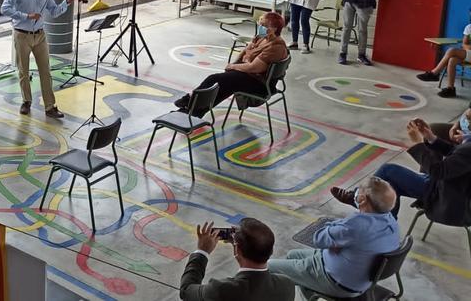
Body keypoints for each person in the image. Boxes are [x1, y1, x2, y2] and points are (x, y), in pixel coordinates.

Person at [267, 176, 398, 298]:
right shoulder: (390, 220)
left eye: (358, 191)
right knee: (292, 255)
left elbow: (318, 238)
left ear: (362, 199)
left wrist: (336, 228)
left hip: (336, 281)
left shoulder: (356, 225)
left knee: (268, 267)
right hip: (358, 278)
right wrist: (338, 240)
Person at [0, 0, 82, 118]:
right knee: (24, 71)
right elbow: (5, 8)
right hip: (21, 35)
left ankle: (50, 107)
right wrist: (26, 16)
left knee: (46, 71)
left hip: (40, 35)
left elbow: (55, 11)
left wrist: (68, 1)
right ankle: (26, 101)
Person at [352, 117, 471, 223]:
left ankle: (359, 198)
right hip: (451, 188)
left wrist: (417, 144)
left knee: (387, 171)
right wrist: (431, 137)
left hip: (450, 200)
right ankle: (386, 229)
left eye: (468, 119)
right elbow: (456, 154)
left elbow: (438, 171)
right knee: (390, 185)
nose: (464, 121)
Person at [173, 12, 288, 111]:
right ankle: (194, 111)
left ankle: (191, 102)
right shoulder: (262, 38)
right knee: (222, 87)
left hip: (259, 83)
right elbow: (246, 52)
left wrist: (233, 66)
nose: (260, 27)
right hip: (248, 75)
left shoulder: (276, 47)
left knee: (214, 79)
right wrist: (239, 62)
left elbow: (254, 67)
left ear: (274, 29)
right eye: (260, 24)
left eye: (264, 25)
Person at [180, 218, 294, 301]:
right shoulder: (286, 284)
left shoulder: (222, 290)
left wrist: (202, 251)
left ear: (236, 251)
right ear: (271, 251)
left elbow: (186, 290)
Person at [416, 15, 469, 98]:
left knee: (452, 51)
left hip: (467, 53)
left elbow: (466, 45)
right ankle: (450, 89)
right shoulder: (469, 27)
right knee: (452, 60)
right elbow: (464, 44)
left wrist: (467, 47)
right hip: (467, 53)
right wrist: (467, 47)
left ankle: (435, 73)